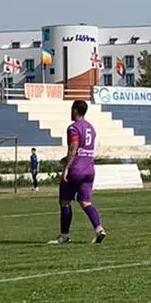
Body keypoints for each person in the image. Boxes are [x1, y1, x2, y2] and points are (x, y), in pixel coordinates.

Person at [53, 99, 106, 243]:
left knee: (64, 202)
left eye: (72, 109)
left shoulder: (73, 128)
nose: (71, 112)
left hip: (76, 170)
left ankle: (65, 235)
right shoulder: (91, 128)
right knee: (85, 203)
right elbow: (84, 149)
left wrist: (66, 167)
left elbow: (74, 147)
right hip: (89, 169)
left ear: (75, 110)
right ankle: (99, 229)